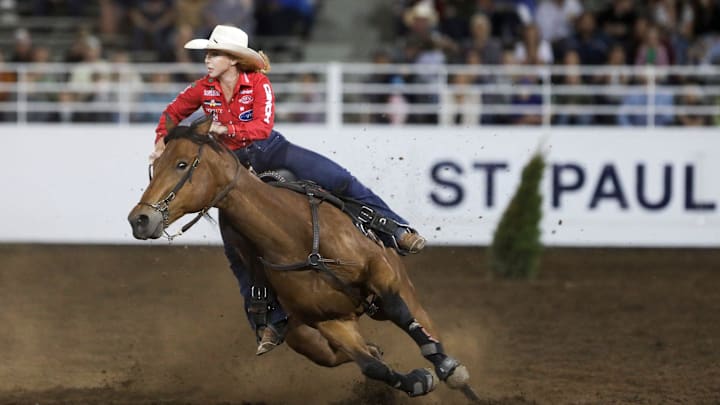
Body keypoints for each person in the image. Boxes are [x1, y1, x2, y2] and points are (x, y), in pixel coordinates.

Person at [149, 25, 427, 356]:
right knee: (238, 253)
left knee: (340, 181)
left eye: (214, 53)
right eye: (208, 54)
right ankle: (268, 319)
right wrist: (160, 140)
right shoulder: (202, 89)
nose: (207, 60)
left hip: (270, 151)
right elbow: (172, 113)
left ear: (234, 60)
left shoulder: (258, 85)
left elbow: (262, 128)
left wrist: (227, 128)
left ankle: (394, 228)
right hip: (233, 171)